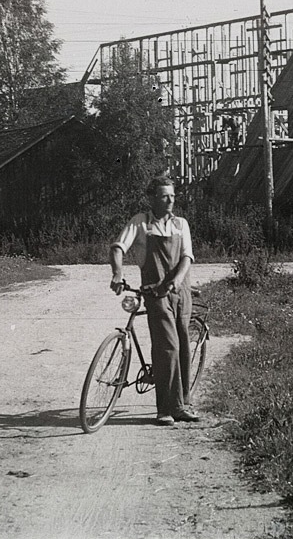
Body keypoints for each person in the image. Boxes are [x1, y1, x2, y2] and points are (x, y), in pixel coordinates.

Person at [110, 176, 200, 426]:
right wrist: (117, 273)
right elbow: (118, 247)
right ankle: (165, 409)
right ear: (152, 198)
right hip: (155, 294)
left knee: (182, 344)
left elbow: (186, 257)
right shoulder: (140, 223)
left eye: (172, 195)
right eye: (164, 196)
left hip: (180, 293)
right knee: (167, 347)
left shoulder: (181, 224)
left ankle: (183, 405)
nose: (170, 200)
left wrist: (177, 280)